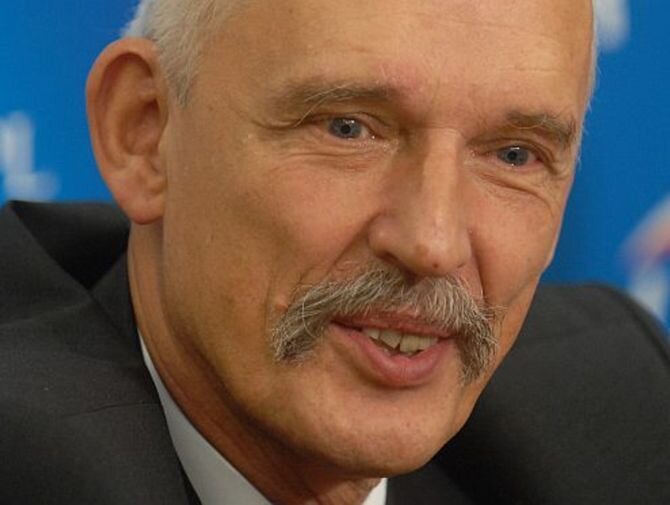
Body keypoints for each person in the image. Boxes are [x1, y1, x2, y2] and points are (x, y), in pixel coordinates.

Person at [1, 0, 669, 503]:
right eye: (348, 128)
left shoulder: (616, 413)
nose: (433, 243)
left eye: (515, 155)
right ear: (145, 133)